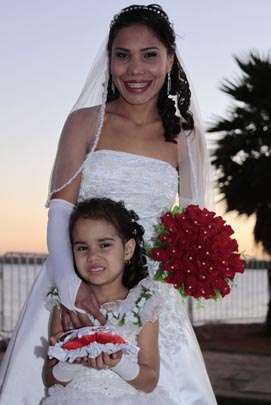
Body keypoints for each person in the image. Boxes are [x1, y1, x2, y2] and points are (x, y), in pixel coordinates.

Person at [0, 4, 216, 404]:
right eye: (123, 55)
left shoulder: (184, 136)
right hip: (81, 273)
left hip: (149, 288)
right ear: (110, 60)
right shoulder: (84, 122)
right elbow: (62, 209)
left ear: (170, 59)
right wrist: (71, 287)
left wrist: (174, 280)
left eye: (149, 54)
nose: (135, 70)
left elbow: (190, 222)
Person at [41, 197, 176, 404]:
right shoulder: (65, 306)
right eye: (82, 248)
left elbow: (150, 380)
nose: (93, 256)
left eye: (104, 245)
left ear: (128, 250)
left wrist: (119, 363)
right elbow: (50, 379)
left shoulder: (143, 305)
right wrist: (72, 361)